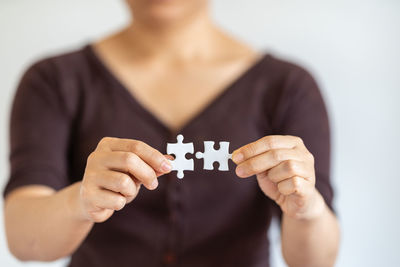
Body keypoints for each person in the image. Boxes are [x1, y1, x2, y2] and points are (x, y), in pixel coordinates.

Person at [3, 0, 340, 266]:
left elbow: (316, 261)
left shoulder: (288, 87)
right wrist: (80, 202)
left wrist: (306, 209)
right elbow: (22, 238)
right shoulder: (52, 80)